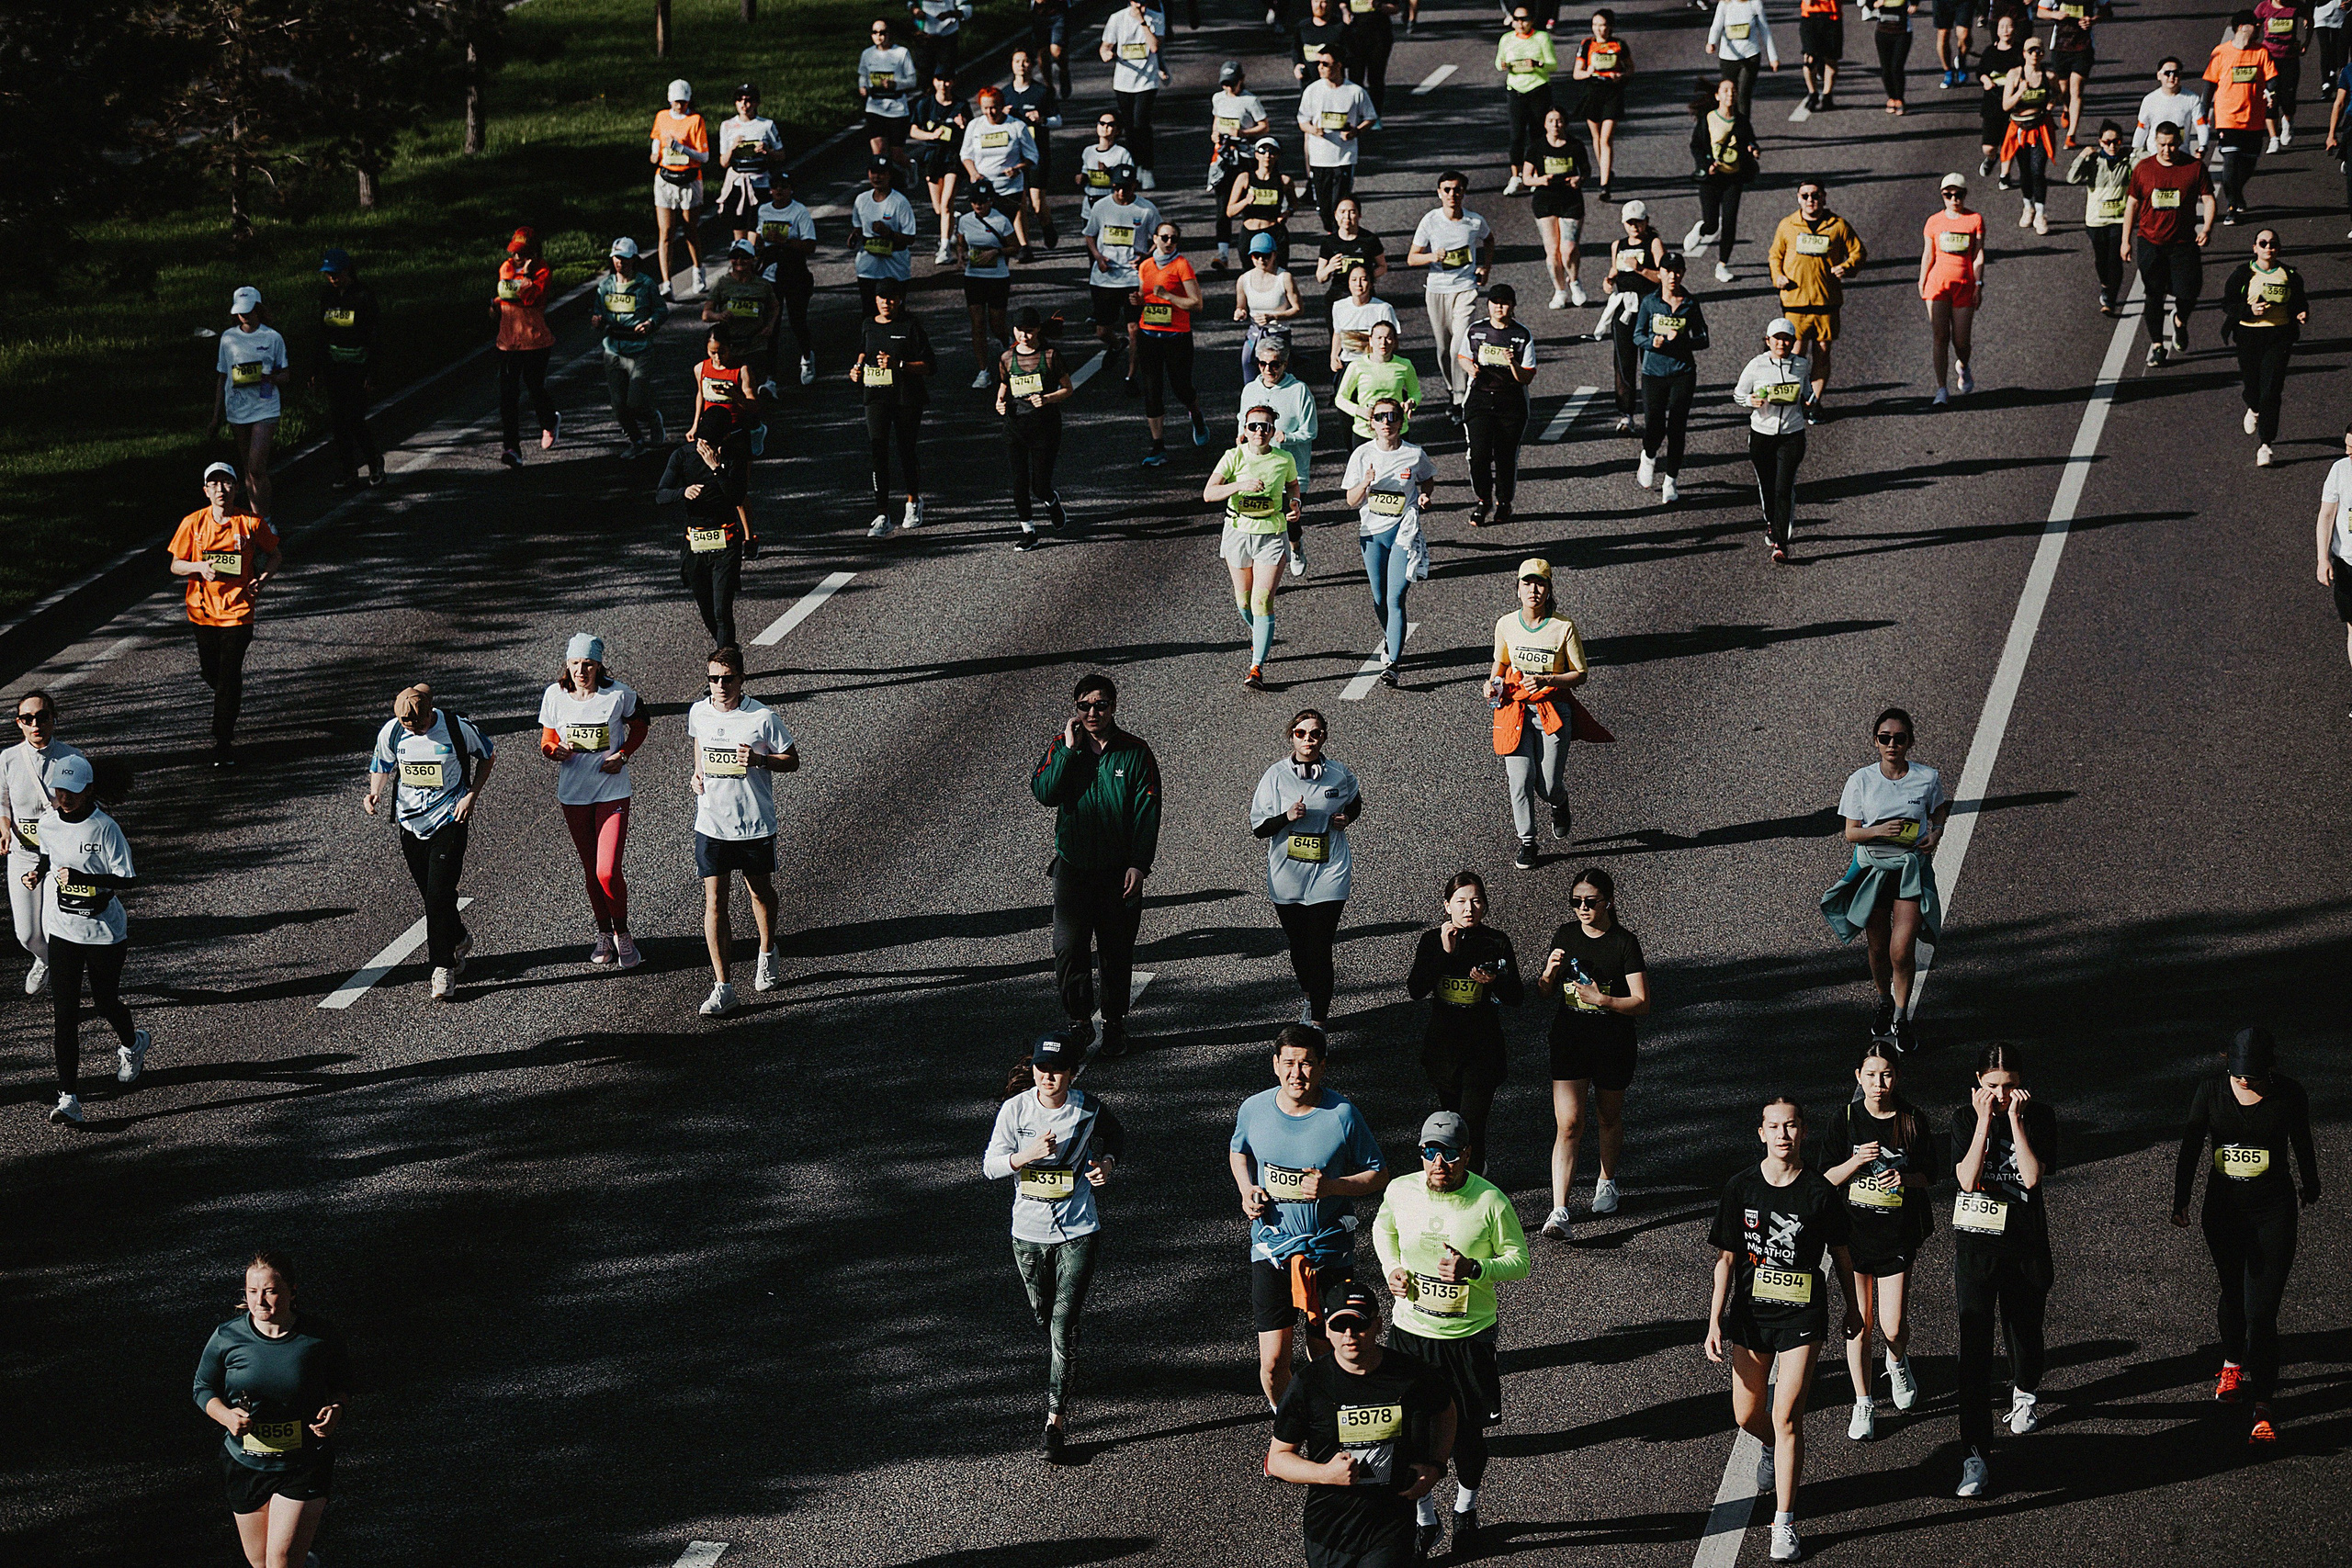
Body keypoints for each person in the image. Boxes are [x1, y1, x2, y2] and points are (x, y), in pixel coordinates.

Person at [1703, 1099, 1859, 1564]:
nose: (1782, 1135)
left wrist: (1854, 1308)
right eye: (1774, 1127)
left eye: (1790, 1126)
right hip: (1751, 1318)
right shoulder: (1741, 1188)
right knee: (1746, 1416)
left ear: (1803, 1132)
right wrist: (1713, 1319)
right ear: (1762, 1133)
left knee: (1788, 1415)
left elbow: (1843, 1255)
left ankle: (1784, 1521)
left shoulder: (1819, 1192)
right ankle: (1769, 1445)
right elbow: (1726, 1259)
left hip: (1802, 1317)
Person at [1372, 1109, 1532, 1557]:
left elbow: (1520, 1261)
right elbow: (1383, 1228)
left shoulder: (1490, 1201)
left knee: (1466, 1435)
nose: (1438, 1163)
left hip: (1467, 1337)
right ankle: (1425, 1519)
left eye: (1449, 1154)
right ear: (1420, 1153)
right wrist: (1392, 1268)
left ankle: (1465, 1509)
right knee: (1407, 1434)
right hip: (1410, 1332)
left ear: (1467, 1154)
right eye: (1430, 1152)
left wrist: (1475, 1269)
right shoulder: (1400, 1190)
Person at [1231, 1024, 1393, 1411]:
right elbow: (1239, 1151)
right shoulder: (1253, 1109)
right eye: (1289, 1063)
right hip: (1271, 1250)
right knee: (1273, 1363)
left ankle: (1328, 1424)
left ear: (1322, 1067)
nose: (1296, 1074)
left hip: (1329, 1252)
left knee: (1326, 1354)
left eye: (1306, 1064)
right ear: (1275, 1064)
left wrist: (1332, 1187)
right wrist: (1246, 1189)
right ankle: (1290, 1422)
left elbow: (1378, 1174)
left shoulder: (1341, 1114)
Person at [2172, 1027, 2321, 1446]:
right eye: (2238, 1075)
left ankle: (2264, 1405)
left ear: (2270, 1067)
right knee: (2233, 1295)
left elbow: (2302, 1140)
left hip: (2273, 1212)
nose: (2244, 1082)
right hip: (2223, 1212)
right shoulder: (2210, 1091)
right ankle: (2232, 1363)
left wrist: (2311, 1183)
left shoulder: (2289, 1093)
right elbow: (2191, 1145)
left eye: (2253, 1076)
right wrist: (2181, 1199)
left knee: (2261, 1312)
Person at [986, 1032, 1125, 1457]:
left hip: (1078, 1230)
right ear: (1033, 1070)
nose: (1048, 1077)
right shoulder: (1015, 1110)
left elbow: (1116, 1136)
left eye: (1057, 1070)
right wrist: (1024, 1156)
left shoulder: (1087, 1108)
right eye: (1042, 1069)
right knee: (1044, 1316)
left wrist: (1106, 1164)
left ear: (1072, 1073)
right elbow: (990, 1166)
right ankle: (1064, 1362)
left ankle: (1055, 1421)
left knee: (1063, 1325)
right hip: (1028, 1234)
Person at [1267, 1278, 1455, 1568]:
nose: (1349, 1334)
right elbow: (1278, 1459)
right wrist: (1325, 1474)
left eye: (1359, 1324)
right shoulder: (1309, 1384)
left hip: (1390, 1528)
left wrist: (1436, 1466)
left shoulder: (1411, 1375)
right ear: (1327, 1330)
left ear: (1378, 1325)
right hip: (1329, 1531)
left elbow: (1446, 1411)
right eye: (1339, 1325)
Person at [1030, 673, 1161, 1055]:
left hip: (1118, 872)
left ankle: (1114, 1024)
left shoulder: (1135, 752)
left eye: (1100, 705)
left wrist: (1139, 864)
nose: (1092, 712)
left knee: (1115, 952)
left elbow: (1147, 811)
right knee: (1068, 949)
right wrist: (1070, 752)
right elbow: (1044, 793)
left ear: (1113, 707)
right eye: (1084, 706)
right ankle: (1079, 1021)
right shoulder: (1063, 746)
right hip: (1073, 868)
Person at [193, 1253, 350, 1568]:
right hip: (245, 1463)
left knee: (280, 1560)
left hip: (303, 1463)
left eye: (270, 1291)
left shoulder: (318, 1337)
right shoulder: (227, 1336)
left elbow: (342, 1384)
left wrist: (337, 1409)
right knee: (260, 1563)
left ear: (292, 1291)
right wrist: (226, 1416)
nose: (259, 1301)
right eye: (252, 1291)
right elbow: (203, 1387)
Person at [1951, 1042, 2057, 1497]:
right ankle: (1974, 1454)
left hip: (2025, 1248)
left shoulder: (2039, 1117)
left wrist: (2014, 1122)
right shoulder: (1964, 1119)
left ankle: (2025, 1391)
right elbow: (1966, 1179)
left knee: (2025, 1333)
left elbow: (2031, 1177)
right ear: (1978, 1082)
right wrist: (1983, 1124)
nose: (2000, 1095)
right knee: (1974, 1352)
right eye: (1992, 1085)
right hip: (1977, 1250)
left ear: (2021, 1085)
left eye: (2009, 1086)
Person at [22, 751, 144, 1122]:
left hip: (104, 932)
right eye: (59, 790)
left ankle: (133, 1043)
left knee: (106, 1003)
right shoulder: (48, 823)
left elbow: (127, 879)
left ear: (88, 790)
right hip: (64, 930)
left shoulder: (104, 828)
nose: (65, 797)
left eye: (73, 791)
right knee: (65, 1016)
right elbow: (49, 856)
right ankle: (69, 1099)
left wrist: (84, 880)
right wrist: (38, 873)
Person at [1821, 1043, 1934, 1442]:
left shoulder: (1912, 1119)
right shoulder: (1845, 1119)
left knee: (1892, 1324)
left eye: (1885, 1074)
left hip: (1896, 1236)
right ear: (1858, 1077)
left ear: (1896, 1077)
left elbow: (1931, 1173)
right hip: (1852, 1237)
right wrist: (1855, 1162)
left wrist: (1905, 1178)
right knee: (1859, 1322)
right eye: (1870, 1075)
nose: (1878, 1083)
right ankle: (1863, 1401)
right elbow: (1825, 1179)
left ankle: (1897, 1362)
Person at [1820, 706, 1948, 1052]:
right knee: (1878, 947)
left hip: (1909, 870)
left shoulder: (1926, 777)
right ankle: (1883, 1002)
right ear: (1875, 741)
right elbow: (1851, 833)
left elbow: (1939, 808)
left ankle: (1902, 1017)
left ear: (1910, 742)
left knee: (1901, 949)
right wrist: (1880, 830)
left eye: (1899, 738)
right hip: (1873, 871)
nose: (1892, 744)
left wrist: (1936, 832)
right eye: (1885, 738)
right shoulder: (1861, 780)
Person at [1534, 867, 1648, 1241]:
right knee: (1569, 1123)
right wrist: (1549, 974)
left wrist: (1604, 1000)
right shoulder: (1566, 935)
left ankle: (1606, 1181)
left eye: (1590, 901)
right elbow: (1545, 992)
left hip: (1613, 1042)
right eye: (1576, 901)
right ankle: (1559, 1210)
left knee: (1607, 1116)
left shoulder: (1624, 943)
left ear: (1608, 902)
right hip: (1570, 1040)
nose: (1582, 908)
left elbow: (1642, 1002)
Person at [364, 684, 492, 1003]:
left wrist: (471, 796)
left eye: (420, 724)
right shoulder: (393, 732)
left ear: (429, 712)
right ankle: (458, 936)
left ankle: (443, 967)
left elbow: (487, 755)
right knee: (433, 894)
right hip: (410, 824)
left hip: (449, 820)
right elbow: (382, 764)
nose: (415, 730)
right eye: (408, 725)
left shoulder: (456, 728)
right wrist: (375, 792)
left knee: (437, 894)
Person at [687, 644, 797, 1016]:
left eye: (727, 679)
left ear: (741, 679)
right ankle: (723, 987)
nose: (720, 685)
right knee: (714, 902)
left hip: (753, 824)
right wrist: (698, 774)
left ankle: (767, 950)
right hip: (712, 824)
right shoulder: (698, 712)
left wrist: (760, 759)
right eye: (713, 679)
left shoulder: (762, 717)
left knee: (759, 892)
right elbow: (701, 744)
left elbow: (792, 760)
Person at [537, 634, 648, 968]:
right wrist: (555, 751)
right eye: (575, 664)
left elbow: (641, 726)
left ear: (599, 665)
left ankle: (622, 932)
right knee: (591, 870)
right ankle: (603, 932)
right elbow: (547, 740)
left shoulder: (618, 694)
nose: (581, 671)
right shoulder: (554, 695)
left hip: (612, 791)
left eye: (588, 664)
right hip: (574, 795)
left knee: (607, 870)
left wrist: (623, 755)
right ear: (567, 664)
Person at [1251, 712, 1363, 1029]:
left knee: (1320, 946)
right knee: (1299, 946)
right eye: (1301, 733)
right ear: (1292, 736)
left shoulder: (1339, 774)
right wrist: (1286, 817)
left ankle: (1317, 1024)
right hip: (1287, 875)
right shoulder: (1275, 776)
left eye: (1315, 733)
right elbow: (1259, 828)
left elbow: (1354, 803)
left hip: (1330, 871)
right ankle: (1309, 996)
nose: (1308, 740)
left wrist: (1347, 818)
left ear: (1324, 736)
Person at [169, 462, 283, 766]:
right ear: (206, 491)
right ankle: (228, 694)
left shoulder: (250, 523)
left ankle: (222, 741)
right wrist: (199, 567)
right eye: (214, 484)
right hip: (202, 611)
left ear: (236, 488)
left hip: (239, 611)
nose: (221, 489)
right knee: (212, 672)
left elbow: (275, 555)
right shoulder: (193, 523)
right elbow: (175, 564)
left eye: (227, 483)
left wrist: (263, 579)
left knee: (229, 675)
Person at [1489, 560, 1600, 869]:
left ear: (1549, 589)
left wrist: (1547, 679)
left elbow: (1580, 674)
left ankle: (1559, 802)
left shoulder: (1563, 627)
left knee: (1547, 785)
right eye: (1527, 583)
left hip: (1552, 710)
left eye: (1540, 584)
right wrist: (1492, 683)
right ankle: (1527, 842)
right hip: (1514, 710)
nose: (1533, 590)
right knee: (1520, 779)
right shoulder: (1506, 624)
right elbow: (1501, 663)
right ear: (1517, 589)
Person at [1206, 404, 1305, 689]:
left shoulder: (1284, 459)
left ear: (1273, 431)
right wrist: (1240, 486)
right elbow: (1209, 493)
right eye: (1253, 426)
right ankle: (1261, 634)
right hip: (1238, 532)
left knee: (1262, 602)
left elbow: (1293, 485)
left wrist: (1295, 503)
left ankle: (1257, 667)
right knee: (1244, 603)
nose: (1259, 431)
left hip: (1271, 534)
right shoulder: (1233, 456)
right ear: (1245, 431)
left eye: (1265, 426)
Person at [1344, 395, 1434, 685]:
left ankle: (1393, 664)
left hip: (1403, 532)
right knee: (1379, 597)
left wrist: (1424, 495)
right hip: (1372, 534)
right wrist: (1365, 482)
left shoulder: (1414, 454)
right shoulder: (1361, 455)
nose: (1387, 422)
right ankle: (1389, 636)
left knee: (1395, 598)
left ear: (1401, 421)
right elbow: (1351, 500)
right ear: (1371, 423)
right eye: (1380, 417)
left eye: (1393, 416)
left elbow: (1427, 478)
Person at [2120, 122, 2215, 367]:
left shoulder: (2194, 167)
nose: (2167, 150)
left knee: (2189, 291)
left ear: (2180, 142)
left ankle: (2180, 320)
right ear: (2155, 142)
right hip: (2150, 242)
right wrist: (2125, 240)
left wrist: (2206, 228)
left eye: (2172, 145)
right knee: (2154, 295)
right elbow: (2132, 204)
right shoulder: (2144, 169)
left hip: (2183, 243)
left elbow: (2208, 199)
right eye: (2162, 145)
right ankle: (2157, 346)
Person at [3, 692, 78, 998]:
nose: (35, 724)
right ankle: (45, 960)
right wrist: (4, 828)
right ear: (19, 723)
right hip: (22, 855)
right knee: (28, 934)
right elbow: (2, 803)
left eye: (42, 717)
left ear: (53, 719)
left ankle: (66, 988)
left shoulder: (72, 758)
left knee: (53, 928)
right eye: (27, 718)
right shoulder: (7, 759)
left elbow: (83, 806)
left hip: (59, 857)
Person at [658, 409, 752, 647]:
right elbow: (661, 494)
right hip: (695, 546)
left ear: (725, 437)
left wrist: (716, 468)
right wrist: (683, 492)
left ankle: (726, 660)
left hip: (726, 545)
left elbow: (737, 497)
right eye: (702, 440)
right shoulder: (682, 456)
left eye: (710, 442)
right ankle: (728, 649)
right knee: (707, 609)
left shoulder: (734, 456)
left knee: (722, 611)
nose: (704, 446)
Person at [1407, 172, 1494, 422]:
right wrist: (1432, 257)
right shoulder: (1430, 221)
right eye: (1446, 190)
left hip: (1465, 289)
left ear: (1464, 192)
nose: (1452, 194)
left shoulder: (1474, 221)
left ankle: (1459, 399)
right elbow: (1412, 258)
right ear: (1439, 193)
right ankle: (1451, 387)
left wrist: (1485, 268)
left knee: (1458, 346)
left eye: (1457, 189)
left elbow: (1489, 240)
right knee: (1444, 348)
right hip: (1438, 290)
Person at [1767, 185, 1863, 410]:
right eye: (1805, 196)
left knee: (1822, 354)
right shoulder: (1787, 225)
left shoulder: (1838, 225)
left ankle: (1814, 402)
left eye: (1815, 195)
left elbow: (1858, 252)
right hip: (1795, 301)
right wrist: (1777, 276)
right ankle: (1793, 401)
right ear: (1798, 198)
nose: (1810, 200)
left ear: (1824, 198)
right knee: (1793, 354)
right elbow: (1775, 255)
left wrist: (1847, 266)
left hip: (1826, 301)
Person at [2219, 228, 2307, 468]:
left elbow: (2300, 302)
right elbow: (2227, 304)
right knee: (2252, 385)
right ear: (2255, 248)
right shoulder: (2242, 274)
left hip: (2279, 336)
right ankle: (2253, 407)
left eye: (2273, 243)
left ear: (2279, 248)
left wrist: (2301, 313)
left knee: (2272, 390)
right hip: (2249, 335)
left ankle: (2266, 444)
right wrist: (2249, 310)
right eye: (2263, 243)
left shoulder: (2289, 275)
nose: (2269, 247)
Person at [854, 280, 933, 537]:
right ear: (875, 300)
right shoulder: (868, 324)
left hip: (906, 398)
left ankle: (913, 501)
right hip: (876, 396)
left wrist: (899, 365)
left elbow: (929, 366)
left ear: (900, 300)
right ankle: (882, 515)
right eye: (882, 298)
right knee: (878, 452)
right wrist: (857, 369)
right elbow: (863, 353)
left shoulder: (910, 326)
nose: (886, 303)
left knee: (906, 450)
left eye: (891, 298)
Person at [1458, 286, 1538, 526]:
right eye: (1494, 302)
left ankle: (1504, 502)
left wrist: (1512, 363)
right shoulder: (1476, 330)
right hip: (1480, 399)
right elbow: (1463, 356)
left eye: (1504, 303)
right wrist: (1470, 368)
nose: (1498, 307)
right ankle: (1483, 500)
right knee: (1478, 454)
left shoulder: (1521, 335)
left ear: (1512, 306)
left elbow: (1527, 376)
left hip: (1510, 401)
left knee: (1505, 455)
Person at [1735, 318, 1814, 563]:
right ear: (1768, 341)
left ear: (1793, 341)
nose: (1782, 343)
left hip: (1792, 434)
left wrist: (1810, 400)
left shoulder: (1801, 365)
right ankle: (1772, 521)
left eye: (1787, 339)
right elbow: (1738, 394)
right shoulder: (1756, 365)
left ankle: (1781, 544)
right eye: (1777, 339)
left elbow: (1807, 391)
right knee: (1767, 486)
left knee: (1783, 487)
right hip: (1762, 434)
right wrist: (1751, 401)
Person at [1134, 220, 1212, 465]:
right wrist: (1138, 301)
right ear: (1155, 238)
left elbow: (1196, 304)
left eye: (1174, 239)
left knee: (1181, 388)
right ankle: (1158, 446)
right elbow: (1144, 296)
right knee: (1152, 391)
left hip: (1176, 336)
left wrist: (1168, 296)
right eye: (1164, 237)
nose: (1169, 242)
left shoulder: (1181, 265)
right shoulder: (1145, 265)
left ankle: (1196, 415)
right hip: (1149, 334)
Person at [1634, 253, 1709, 506]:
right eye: (1668, 271)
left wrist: (1683, 340)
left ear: (1683, 273)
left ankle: (1671, 480)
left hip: (1682, 372)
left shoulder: (1690, 303)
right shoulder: (1650, 302)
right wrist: (1651, 342)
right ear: (1660, 273)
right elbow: (1637, 335)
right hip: (1653, 372)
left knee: (1677, 427)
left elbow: (1703, 338)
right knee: (1654, 425)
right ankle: (1649, 455)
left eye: (1678, 271)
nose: (1673, 276)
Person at [1000, 306, 1077, 548]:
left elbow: (1068, 389)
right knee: (1019, 483)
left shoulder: (1050, 356)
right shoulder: (1007, 358)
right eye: (1019, 331)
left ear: (1038, 330)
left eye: (1029, 331)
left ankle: (1051, 500)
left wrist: (1047, 399)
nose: (1024, 336)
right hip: (1015, 427)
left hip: (1045, 427)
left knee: (1040, 486)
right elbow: (1004, 385)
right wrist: (999, 402)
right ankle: (1029, 531)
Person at [210, 288, 289, 519]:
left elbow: (285, 375)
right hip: (237, 409)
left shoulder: (272, 337)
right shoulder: (228, 338)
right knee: (248, 469)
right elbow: (223, 376)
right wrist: (216, 416)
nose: (244, 315)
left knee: (256, 467)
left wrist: (268, 378)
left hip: (265, 407)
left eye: (249, 311)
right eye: (240, 312)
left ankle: (265, 521)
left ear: (258, 309)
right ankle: (256, 520)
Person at [311, 250, 382, 488]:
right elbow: (321, 333)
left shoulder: (363, 296)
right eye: (328, 274)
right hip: (334, 368)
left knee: (355, 419)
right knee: (338, 422)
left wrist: (372, 372)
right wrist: (315, 369)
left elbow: (374, 336)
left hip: (358, 368)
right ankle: (348, 471)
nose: (333, 278)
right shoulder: (327, 296)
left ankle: (374, 463)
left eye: (337, 273)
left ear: (348, 270)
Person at [593, 238, 670, 456]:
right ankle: (636, 441)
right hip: (613, 350)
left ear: (634, 260)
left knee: (635, 401)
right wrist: (597, 321)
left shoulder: (645, 284)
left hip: (640, 350)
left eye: (625, 258)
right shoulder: (605, 286)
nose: (621, 262)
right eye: (617, 258)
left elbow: (661, 310)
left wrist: (650, 323)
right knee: (618, 404)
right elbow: (599, 313)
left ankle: (652, 418)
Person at [492, 227, 558, 468]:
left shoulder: (542, 271)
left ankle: (549, 421)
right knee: (508, 396)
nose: (516, 257)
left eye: (522, 253)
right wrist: (496, 305)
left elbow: (530, 298)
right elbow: (503, 293)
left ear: (532, 253)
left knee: (534, 387)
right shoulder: (506, 267)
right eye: (514, 252)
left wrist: (525, 276)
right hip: (508, 343)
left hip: (535, 342)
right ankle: (512, 448)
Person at [1086, 165, 1161, 377]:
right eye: (1117, 187)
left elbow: (1159, 236)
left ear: (1134, 186)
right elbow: (1090, 234)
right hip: (1105, 279)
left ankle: (1131, 375)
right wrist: (1098, 257)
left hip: (1133, 278)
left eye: (1126, 188)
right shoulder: (1101, 206)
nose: (1121, 192)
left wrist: (1146, 257)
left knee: (1134, 328)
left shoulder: (1146, 209)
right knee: (1102, 331)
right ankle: (1117, 344)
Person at [1917, 175, 1985, 404]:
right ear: (1942, 196)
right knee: (1940, 337)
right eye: (1948, 195)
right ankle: (1941, 389)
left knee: (1961, 342)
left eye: (1958, 195)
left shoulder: (1974, 219)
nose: (1954, 199)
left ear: (1965, 195)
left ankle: (1963, 365)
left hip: (1964, 285)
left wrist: (1978, 284)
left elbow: (1978, 254)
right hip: (1938, 284)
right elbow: (1929, 253)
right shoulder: (1934, 221)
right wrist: (1922, 280)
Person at [2207, 13, 2279, 224]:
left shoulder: (2261, 52)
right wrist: (2203, 112)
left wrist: (2272, 93)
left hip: (2254, 119)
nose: (2259, 27)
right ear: (2241, 27)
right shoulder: (2220, 52)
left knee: (2248, 165)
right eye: (2255, 24)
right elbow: (2210, 84)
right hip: (2228, 118)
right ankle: (2232, 207)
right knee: (2230, 162)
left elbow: (2272, 78)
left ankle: (2237, 192)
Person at [1688, 77, 1760, 282]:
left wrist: (1753, 149)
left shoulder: (1741, 120)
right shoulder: (1708, 119)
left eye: (1733, 91)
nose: (1730, 94)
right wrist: (1705, 165)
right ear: (1717, 96)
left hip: (1733, 178)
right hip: (1711, 179)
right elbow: (1696, 146)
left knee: (1729, 221)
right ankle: (1701, 229)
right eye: (1726, 90)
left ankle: (1722, 265)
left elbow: (1750, 140)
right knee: (1712, 224)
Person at [1600, 203, 1664, 433]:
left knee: (1650, 360)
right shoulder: (1618, 245)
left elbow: (1664, 276)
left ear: (1646, 221)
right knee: (1623, 362)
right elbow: (1612, 276)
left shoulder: (1653, 243)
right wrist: (1608, 282)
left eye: (1639, 221)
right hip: (1624, 308)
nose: (1634, 226)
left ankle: (1654, 411)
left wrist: (1641, 269)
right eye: (1630, 222)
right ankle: (1626, 414)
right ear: (1624, 223)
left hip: (1648, 306)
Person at [1238, 336, 1319, 513]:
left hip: (1289, 477)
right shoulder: (1250, 389)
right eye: (1262, 364)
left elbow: (1310, 431)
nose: (1268, 370)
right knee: (1258, 520)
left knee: (1290, 524)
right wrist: (1241, 435)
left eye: (1274, 365)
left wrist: (1288, 437)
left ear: (1285, 364)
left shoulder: (1299, 390)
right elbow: (1242, 420)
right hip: (1255, 475)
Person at [1299, 51, 1378, 231]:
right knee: (1324, 207)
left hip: (1344, 157)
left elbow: (1371, 117)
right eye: (1319, 63)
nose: (1320, 67)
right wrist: (1313, 130)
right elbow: (1302, 121)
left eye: (1325, 64)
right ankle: (1331, 231)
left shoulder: (1355, 91)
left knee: (1340, 204)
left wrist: (1355, 132)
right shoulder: (1313, 90)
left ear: (1339, 65)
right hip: (1320, 157)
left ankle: (1338, 237)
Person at [755, 171, 820, 388]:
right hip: (770, 272)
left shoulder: (799, 211)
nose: (779, 190)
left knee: (797, 320)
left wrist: (785, 240)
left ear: (791, 189)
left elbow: (810, 245)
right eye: (775, 186)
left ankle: (807, 357)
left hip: (794, 272)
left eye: (784, 186)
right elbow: (759, 239)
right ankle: (770, 377)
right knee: (770, 325)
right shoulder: (764, 210)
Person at [961, 89, 1040, 264]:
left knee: (1002, 232)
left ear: (1002, 106)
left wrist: (1018, 168)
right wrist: (973, 173)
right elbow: (965, 154)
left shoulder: (1016, 126)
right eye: (985, 108)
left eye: (994, 108)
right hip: (983, 188)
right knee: (986, 231)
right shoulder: (975, 125)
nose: (990, 112)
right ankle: (986, 269)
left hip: (1009, 188)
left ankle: (1003, 266)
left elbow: (1032, 155)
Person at [1523, 109, 1590, 311]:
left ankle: (1574, 281)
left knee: (1568, 249)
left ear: (1565, 124)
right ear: (1545, 124)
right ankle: (1560, 291)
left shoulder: (1575, 146)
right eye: (1551, 121)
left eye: (1559, 121)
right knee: (1552, 252)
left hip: (1571, 201)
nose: (1555, 125)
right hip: (1545, 202)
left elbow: (1586, 171)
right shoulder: (1536, 148)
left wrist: (1579, 179)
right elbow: (1526, 178)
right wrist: (1540, 180)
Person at [956, 182, 1022, 387]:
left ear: (991, 201)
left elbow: (1015, 247)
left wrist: (996, 252)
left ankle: (1008, 343)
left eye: (983, 201)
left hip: (997, 278)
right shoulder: (965, 220)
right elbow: (961, 243)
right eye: (974, 201)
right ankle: (983, 371)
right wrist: (961, 256)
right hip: (974, 277)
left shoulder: (1001, 221)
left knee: (996, 324)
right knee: (977, 323)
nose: (978, 205)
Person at [1209, 64, 1272, 269]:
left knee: (1250, 204)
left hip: (1245, 158)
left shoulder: (1250, 101)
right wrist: (1215, 135)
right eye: (1225, 84)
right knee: (1222, 206)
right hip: (1224, 158)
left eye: (1232, 84)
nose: (1229, 88)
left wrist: (1244, 133)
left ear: (1241, 80)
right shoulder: (1218, 98)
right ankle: (1222, 255)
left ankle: (1257, 252)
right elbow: (1217, 121)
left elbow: (1264, 126)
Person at [650, 80, 709, 298]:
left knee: (690, 230)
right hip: (665, 179)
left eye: (683, 102)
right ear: (669, 100)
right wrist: (655, 152)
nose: (679, 106)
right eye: (676, 102)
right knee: (666, 232)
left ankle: (698, 271)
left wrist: (681, 148)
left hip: (689, 179)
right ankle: (666, 282)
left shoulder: (695, 121)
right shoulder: (662, 117)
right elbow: (657, 139)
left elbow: (704, 156)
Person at [702, 240, 782, 399]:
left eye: (744, 257)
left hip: (755, 343)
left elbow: (775, 306)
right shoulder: (722, 283)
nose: (739, 261)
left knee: (752, 386)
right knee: (734, 388)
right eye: (735, 256)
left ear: (752, 259)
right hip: (730, 346)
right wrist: (719, 316)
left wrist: (770, 326)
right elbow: (706, 314)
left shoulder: (763, 285)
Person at [2065, 123, 2131, 315]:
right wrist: (2082, 156)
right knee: (2101, 260)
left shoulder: (2128, 160)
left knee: (2115, 260)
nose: (2112, 146)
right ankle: (2105, 285)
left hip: (2119, 220)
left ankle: (2110, 300)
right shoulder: (2093, 161)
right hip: (2096, 220)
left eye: (2116, 141)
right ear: (2100, 142)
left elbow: (2147, 162)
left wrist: (2135, 151)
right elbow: (2072, 178)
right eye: (2107, 142)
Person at [1101, 0, 1169, 185]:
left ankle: (1147, 168)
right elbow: (1105, 46)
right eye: (1137, 2)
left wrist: (1142, 22)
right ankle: (1134, 166)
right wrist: (1106, 54)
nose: (1141, 7)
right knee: (1129, 127)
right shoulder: (1117, 18)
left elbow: (1155, 47)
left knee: (1141, 123)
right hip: (1123, 82)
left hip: (1147, 82)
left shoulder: (1156, 18)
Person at [1003, 47, 1063, 251]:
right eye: (1017, 61)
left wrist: (1042, 119)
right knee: (1018, 203)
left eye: (1026, 61)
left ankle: (1047, 226)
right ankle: (1024, 246)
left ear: (1032, 65)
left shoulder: (1042, 92)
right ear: (1012, 65)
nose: (1021, 65)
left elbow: (1058, 120)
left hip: (1037, 154)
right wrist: (1002, 115)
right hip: (1013, 156)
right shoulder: (1005, 94)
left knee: (1036, 203)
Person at [1498, 6, 1560, 190]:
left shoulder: (1541, 38)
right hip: (1516, 91)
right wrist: (1504, 64)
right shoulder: (1506, 39)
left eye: (1524, 19)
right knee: (1516, 136)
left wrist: (1537, 64)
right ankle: (1516, 176)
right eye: (1516, 19)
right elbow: (1498, 63)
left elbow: (1553, 65)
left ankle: (1537, 174)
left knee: (1537, 134)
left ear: (1531, 20)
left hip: (1538, 90)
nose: (1520, 23)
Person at [851, 158, 921, 322]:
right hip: (868, 267)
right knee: (869, 312)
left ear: (889, 175)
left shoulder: (900, 202)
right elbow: (858, 227)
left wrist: (888, 233)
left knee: (894, 314)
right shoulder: (861, 199)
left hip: (894, 267)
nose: (877, 177)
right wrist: (854, 236)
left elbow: (910, 238)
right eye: (873, 172)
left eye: (881, 173)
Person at [1571, 11, 1633, 197]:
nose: (1599, 29)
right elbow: (1576, 73)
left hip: (1612, 93)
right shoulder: (1587, 44)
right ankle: (1605, 170)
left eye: (1603, 25)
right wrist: (1588, 72)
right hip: (1593, 92)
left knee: (1606, 139)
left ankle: (1605, 184)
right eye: (1595, 24)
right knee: (1596, 137)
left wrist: (1620, 75)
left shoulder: (1619, 44)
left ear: (1610, 26)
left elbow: (1630, 68)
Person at [2000, 39, 2059, 232]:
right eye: (2031, 51)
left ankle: (2041, 214)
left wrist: (2051, 103)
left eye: (2038, 51)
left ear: (2043, 54)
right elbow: (2006, 105)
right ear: (2024, 54)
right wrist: (2020, 92)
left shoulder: (2049, 76)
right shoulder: (2015, 75)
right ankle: (2028, 206)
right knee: (2025, 171)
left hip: (2040, 128)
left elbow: (2058, 93)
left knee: (2038, 171)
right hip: (2019, 129)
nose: (2035, 55)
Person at [910, 73, 969, 264]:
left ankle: (944, 249)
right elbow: (913, 130)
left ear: (953, 82)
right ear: (934, 82)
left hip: (953, 157)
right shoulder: (925, 104)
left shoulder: (961, 105)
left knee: (946, 203)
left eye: (947, 80)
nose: (943, 84)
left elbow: (971, 132)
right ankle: (954, 221)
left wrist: (963, 125)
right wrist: (931, 136)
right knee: (939, 208)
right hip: (933, 157)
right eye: (939, 80)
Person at [2314, 423, 2352, 710]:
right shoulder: (2340, 471)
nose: (2350, 454)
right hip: (2347, 563)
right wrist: (2322, 558)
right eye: (2348, 447)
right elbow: (2327, 516)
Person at [716, 83, 783, 241]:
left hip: (760, 184)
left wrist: (767, 150)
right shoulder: (727, 126)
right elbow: (723, 162)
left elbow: (781, 155)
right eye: (740, 100)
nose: (744, 104)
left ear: (756, 103)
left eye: (749, 100)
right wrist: (733, 148)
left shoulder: (766, 125)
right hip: (737, 184)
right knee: (739, 235)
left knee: (757, 234)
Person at [1336, 319, 1419, 441]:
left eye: (1388, 338)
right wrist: (1360, 411)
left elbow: (1416, 393)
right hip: (1365, 431)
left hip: (1395, 429)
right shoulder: (1357, 366)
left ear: (1394, 341)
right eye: (1379, 338)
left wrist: (1411, 403)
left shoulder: (1405, 365)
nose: (1383, 343)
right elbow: (1340, 398)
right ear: (1371, 340)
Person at [1235, 234, 1306, 379]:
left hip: (1278, 333)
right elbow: (1240, 307)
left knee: (1278, 374)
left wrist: (1273, 316)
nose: (1261, 260)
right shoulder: (1244, 280)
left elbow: (1298, 309)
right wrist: (1240, 313)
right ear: (1251, 256)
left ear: (1274, 254)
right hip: (1255, 334)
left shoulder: (1284, 278)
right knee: (1247, 363)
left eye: (1266, 255)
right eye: (1256, 255)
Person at [860, 20, 922, 173]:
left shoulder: (901, 53)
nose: (879, 36)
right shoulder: (867, 54)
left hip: (897, 109)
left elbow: (912, 81)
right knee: (879, 152)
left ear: (890, 34)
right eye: (875, 32)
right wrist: (863, 87)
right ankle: (885, 182)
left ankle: (910, 167)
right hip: (874, 107)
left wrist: (896, 84)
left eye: (882, 32)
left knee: (896, 155)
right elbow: (863, 75)